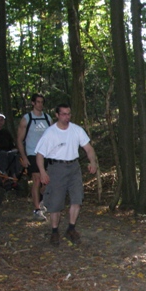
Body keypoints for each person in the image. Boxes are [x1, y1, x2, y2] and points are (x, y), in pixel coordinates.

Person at [35, 103, 98, 246]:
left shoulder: (77, 130)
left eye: (68, 114)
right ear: (57, 115)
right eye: (63, 114)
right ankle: (54, 231)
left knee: (77, 199)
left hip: (74, 167)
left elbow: (88, 148)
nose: (66, 117)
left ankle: (71, 228)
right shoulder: (50, 133)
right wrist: (43, 172)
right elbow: (39, 155)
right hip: (56, 168)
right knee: (56, 202)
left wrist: (92, 162)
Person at [17, 94, 52, 219]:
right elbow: (20, 140)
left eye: (42, 102)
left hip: (47, 154)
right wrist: (24, 157)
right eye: (37, 102)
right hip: (32, 153)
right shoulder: (27, 119)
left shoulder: (47, 118)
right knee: (37, 179)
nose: (40, 104)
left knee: (46, 182)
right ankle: (37, 210)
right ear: (33, 103)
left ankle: (41, 202)